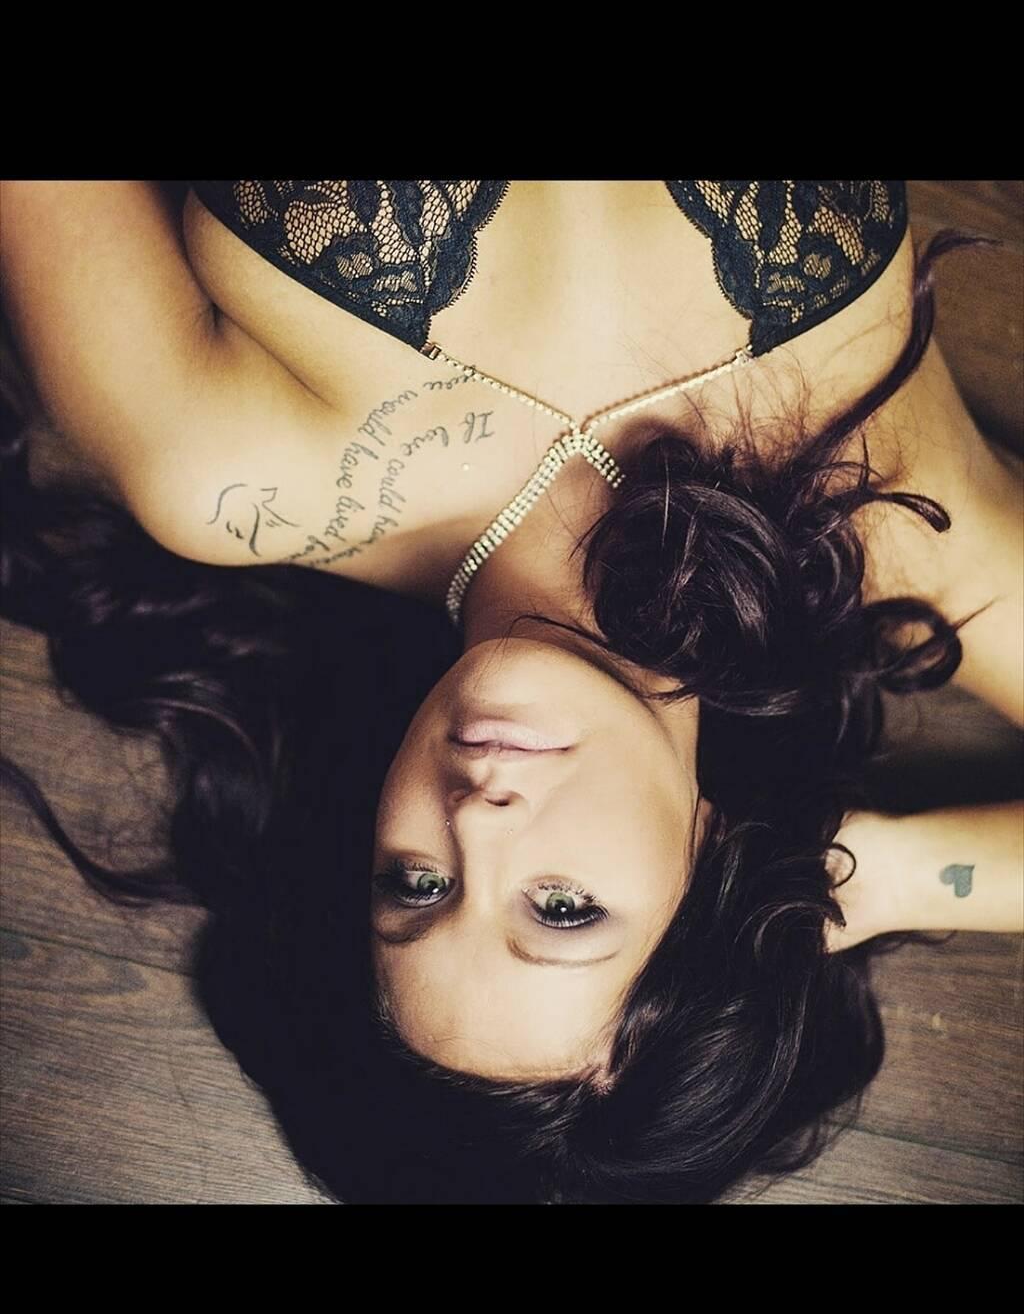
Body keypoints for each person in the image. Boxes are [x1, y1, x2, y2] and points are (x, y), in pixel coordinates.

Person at [1, 179, 1020, 1205]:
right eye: (563, 909)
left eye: (415, 885)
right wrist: (856, 881)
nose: (474, 823)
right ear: (712, 864)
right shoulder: (897, 525)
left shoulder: (221, 477)